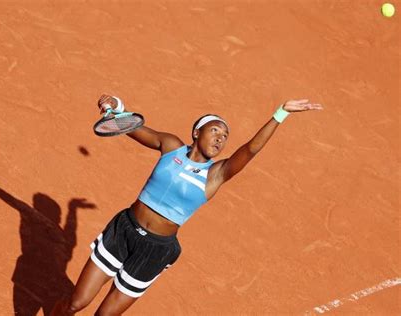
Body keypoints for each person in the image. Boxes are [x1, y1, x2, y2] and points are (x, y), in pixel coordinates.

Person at [52, 94, 323, 315]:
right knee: (76, 303)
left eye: (225, 136)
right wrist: (117, 107)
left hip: (155, 252)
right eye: (215, 130)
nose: (220, 138)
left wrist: (280, 113)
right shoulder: (171, 146)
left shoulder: (215, 175)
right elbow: (132, 127)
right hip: (123, 231)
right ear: (196, 133)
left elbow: (250, 149)